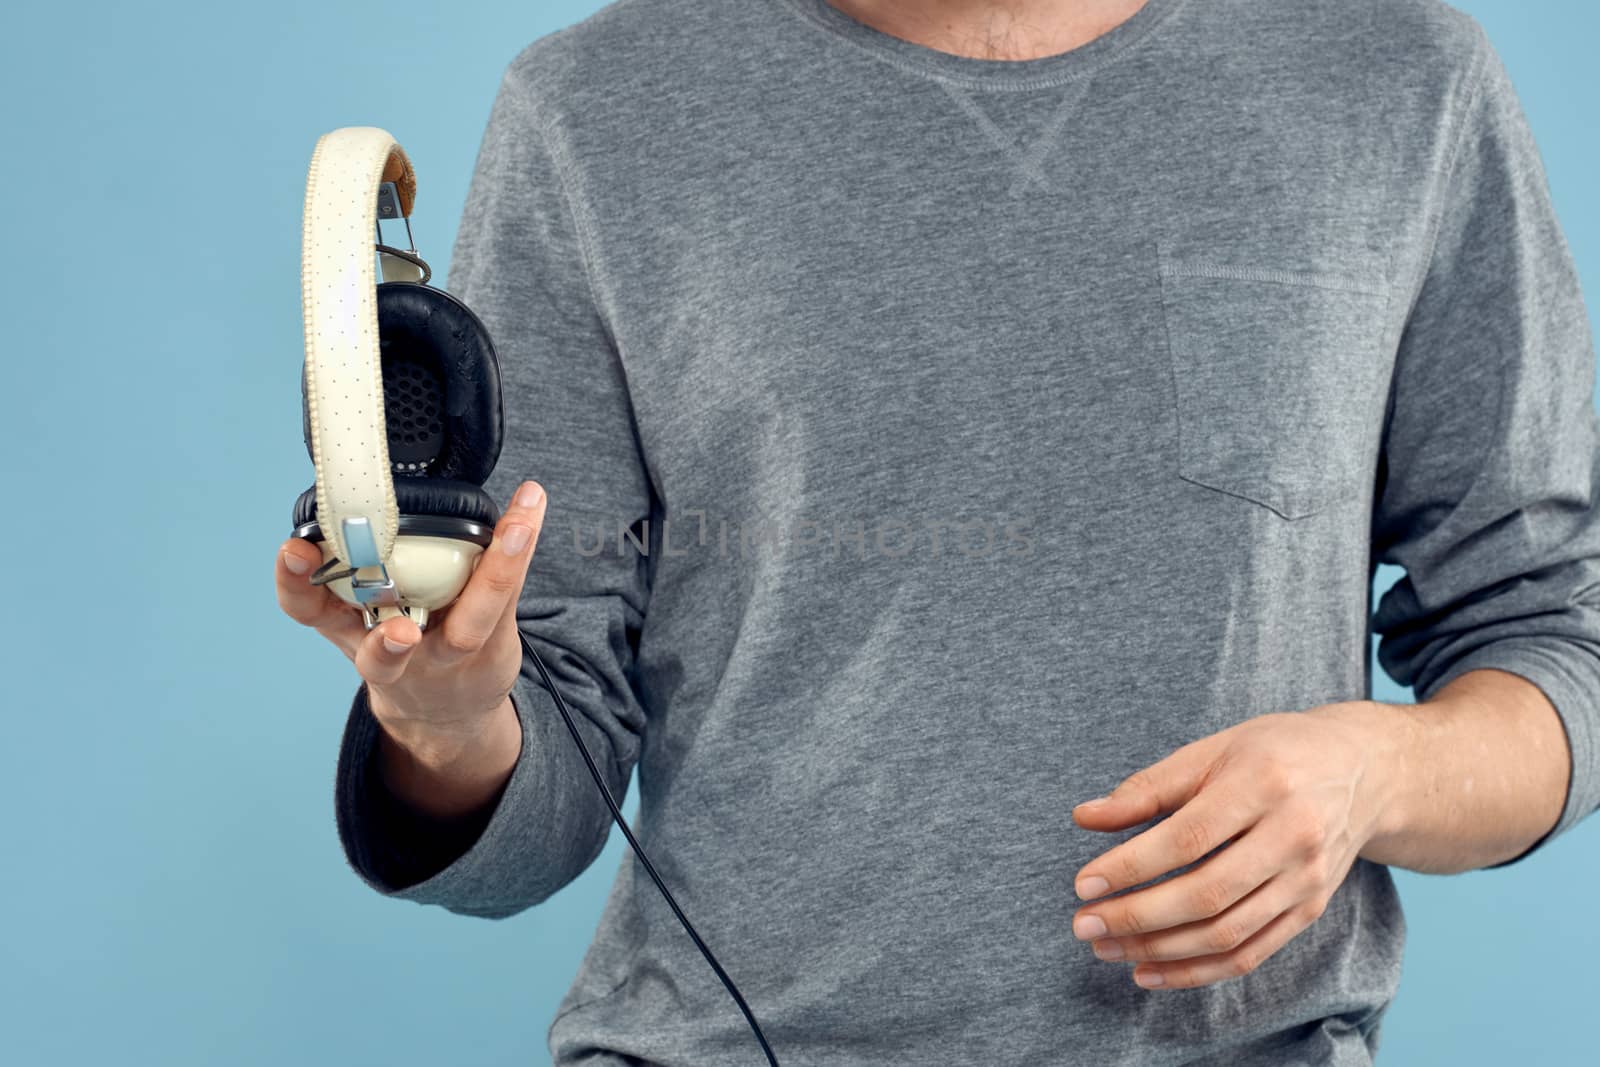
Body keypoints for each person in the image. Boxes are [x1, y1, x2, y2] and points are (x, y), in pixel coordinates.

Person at [274, 0, 1600, 1063]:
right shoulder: (590, 112)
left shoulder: (1402, 73)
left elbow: (1561, 641)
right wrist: (448, 723)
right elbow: (543, 758)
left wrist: (1373, 768)